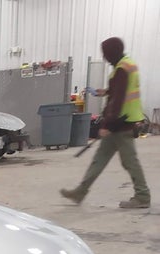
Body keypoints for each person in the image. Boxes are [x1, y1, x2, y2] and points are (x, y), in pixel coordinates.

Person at [60, 37, 151, 209]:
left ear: (112, 52)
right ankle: (80, 192)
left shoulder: (121, 69)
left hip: (122, 123)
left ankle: (142, 196)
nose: (104, 57)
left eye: (105, 53)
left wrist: (106, 125)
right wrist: (106, 91)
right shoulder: (127, 64)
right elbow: (120, 90)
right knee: (99, 160)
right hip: (121, 122)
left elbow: (118, 100)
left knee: (130, 162)